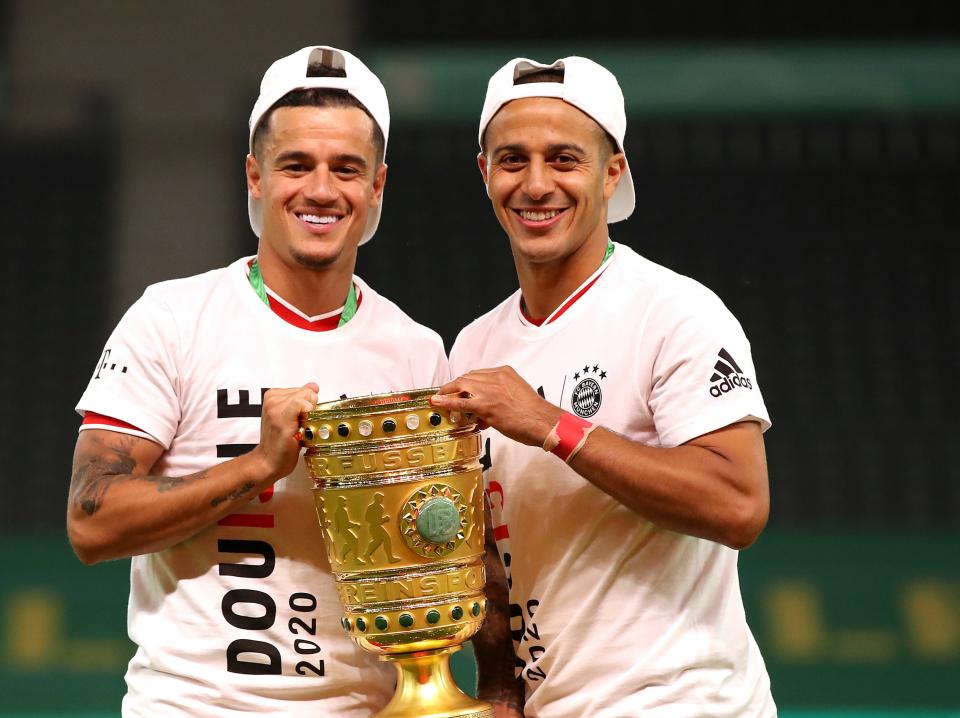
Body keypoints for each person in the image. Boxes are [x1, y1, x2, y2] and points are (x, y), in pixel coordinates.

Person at [68, 45, 448, 717]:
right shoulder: (172, 318)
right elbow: (91, 521)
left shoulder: (417, 354)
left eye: (347, 169)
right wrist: (259, 466)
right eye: (295, 165)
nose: (322, 191)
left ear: (378, 187)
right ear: (254, 175)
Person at [431, 56, 776, 717]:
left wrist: (549, 424)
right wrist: (502, 688)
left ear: (611, 171)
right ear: (484, 173)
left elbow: (739, 506)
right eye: (512, 160)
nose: (536, 184)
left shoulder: (673, 311)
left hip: (682, 701)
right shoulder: (474, 345)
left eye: (564, 159)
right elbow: (495, 549)